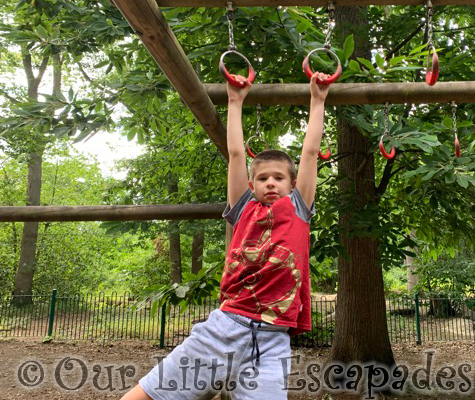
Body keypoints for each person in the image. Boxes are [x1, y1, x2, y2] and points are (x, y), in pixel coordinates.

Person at [120, 72, 331, 400]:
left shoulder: (298, 209)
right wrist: (235, 101)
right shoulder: (244, 208)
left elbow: (310, 154)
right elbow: (235, 154)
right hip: (223, 328)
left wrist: (317, 101)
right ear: (251, 186)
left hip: (271, 343)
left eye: (278, 177)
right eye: (262, 178)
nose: (271, 183)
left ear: (292, 185)